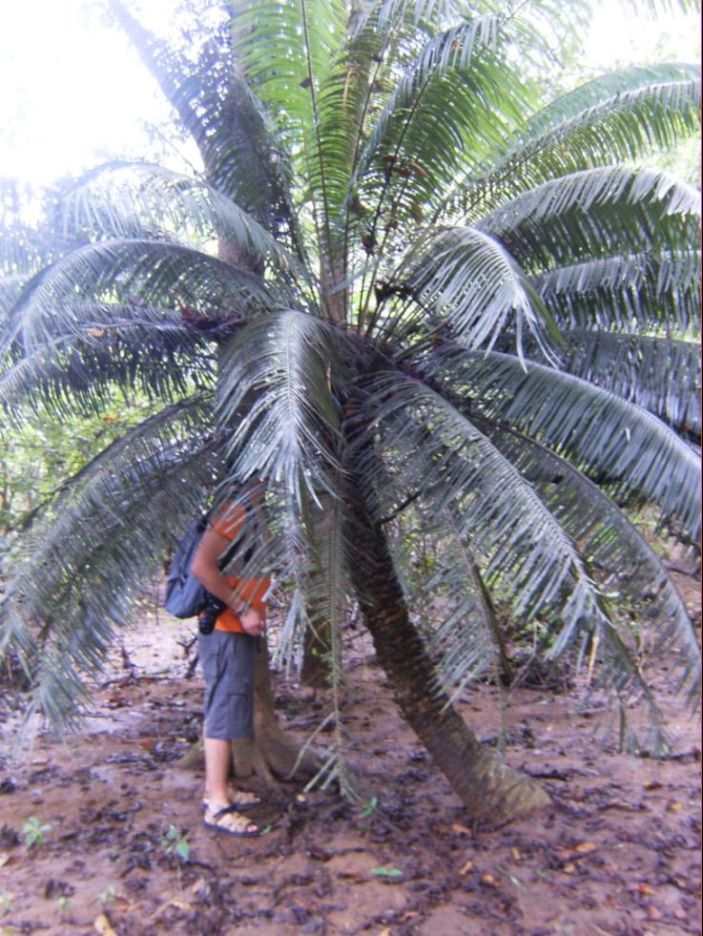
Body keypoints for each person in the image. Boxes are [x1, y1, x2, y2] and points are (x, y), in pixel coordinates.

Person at [190, 479, 269, 837]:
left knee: (229, 706)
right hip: (225, 628)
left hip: (237, 629)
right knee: (222, 709)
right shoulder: (236, 509)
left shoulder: (250, 509)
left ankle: (218, 786)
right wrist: (242, 608)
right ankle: (218, 805)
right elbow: (202, 567)